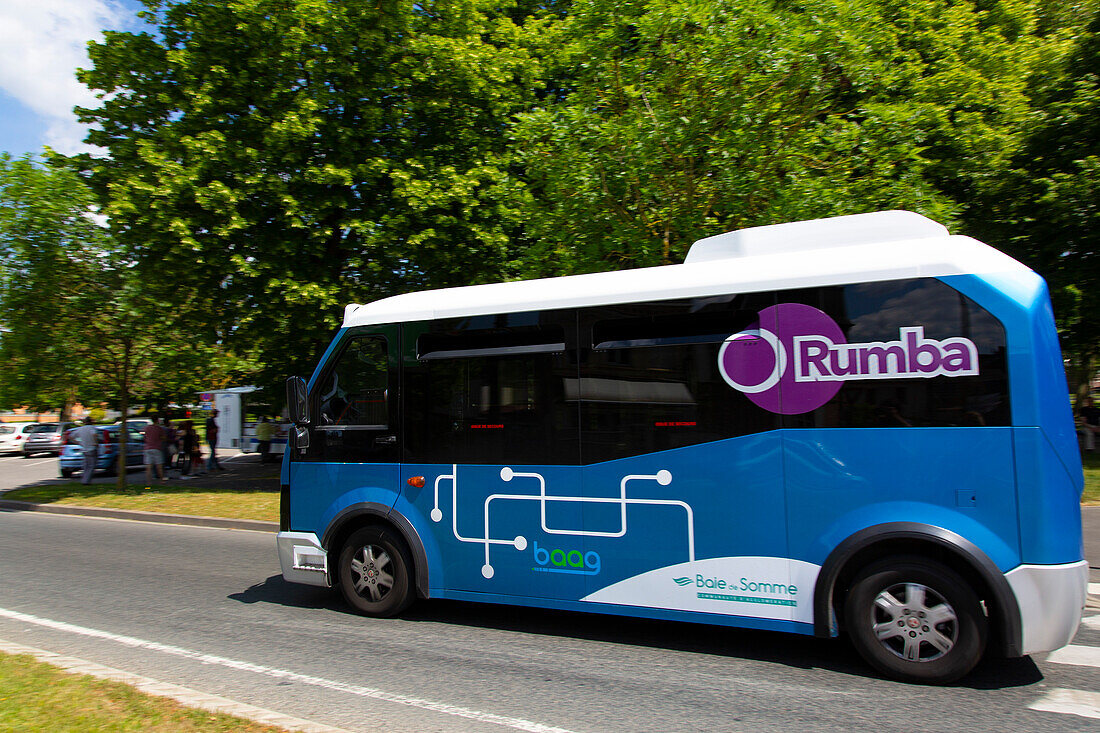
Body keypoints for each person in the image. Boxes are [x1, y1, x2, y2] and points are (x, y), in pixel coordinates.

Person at [72, 417, 100, 485]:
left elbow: (71, 436)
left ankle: (84, 479)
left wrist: (79, 443)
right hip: (92, 448)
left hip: (84, 449)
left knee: (86, 465)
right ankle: (87, 481)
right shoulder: (92, 428)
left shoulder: (80, 429)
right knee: (92, 465)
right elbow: (94, 434)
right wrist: (96, 442)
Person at [143, 416, 167, 483]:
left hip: (147, 448)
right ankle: (162, 480)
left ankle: (148, 482)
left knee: (148, 467)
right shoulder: (159, 429)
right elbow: (163, 437)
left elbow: (145, 437)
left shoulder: (147, 428)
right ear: (157, 420)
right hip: (157, 448)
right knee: (159, 466)